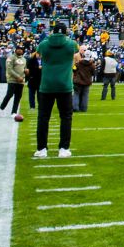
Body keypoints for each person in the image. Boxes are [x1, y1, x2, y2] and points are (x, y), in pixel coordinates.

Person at [35, 24, 79, 159]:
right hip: (64, 85)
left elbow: (37, 55)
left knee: (43, 117)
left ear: (52, 32)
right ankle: (63, 148)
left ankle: (42, 149)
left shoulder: (43, 44)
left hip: (46, 85)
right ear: (66, 32)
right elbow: (77, 57)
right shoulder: (71, 44)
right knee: (66, 117)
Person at [0, 44, 27, 118]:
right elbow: (9, 69)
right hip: (12, 80)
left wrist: (26, 71)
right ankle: (2, 106)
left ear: (23, 51)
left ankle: (14, 112)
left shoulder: (24, 59)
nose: (20, 50)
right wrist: (17, 77)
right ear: (15, 50)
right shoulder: (11, 58)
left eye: (21, 49)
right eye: (18, 49)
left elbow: (25, 68)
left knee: (18, 97)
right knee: (9, 94)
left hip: (21, 81)